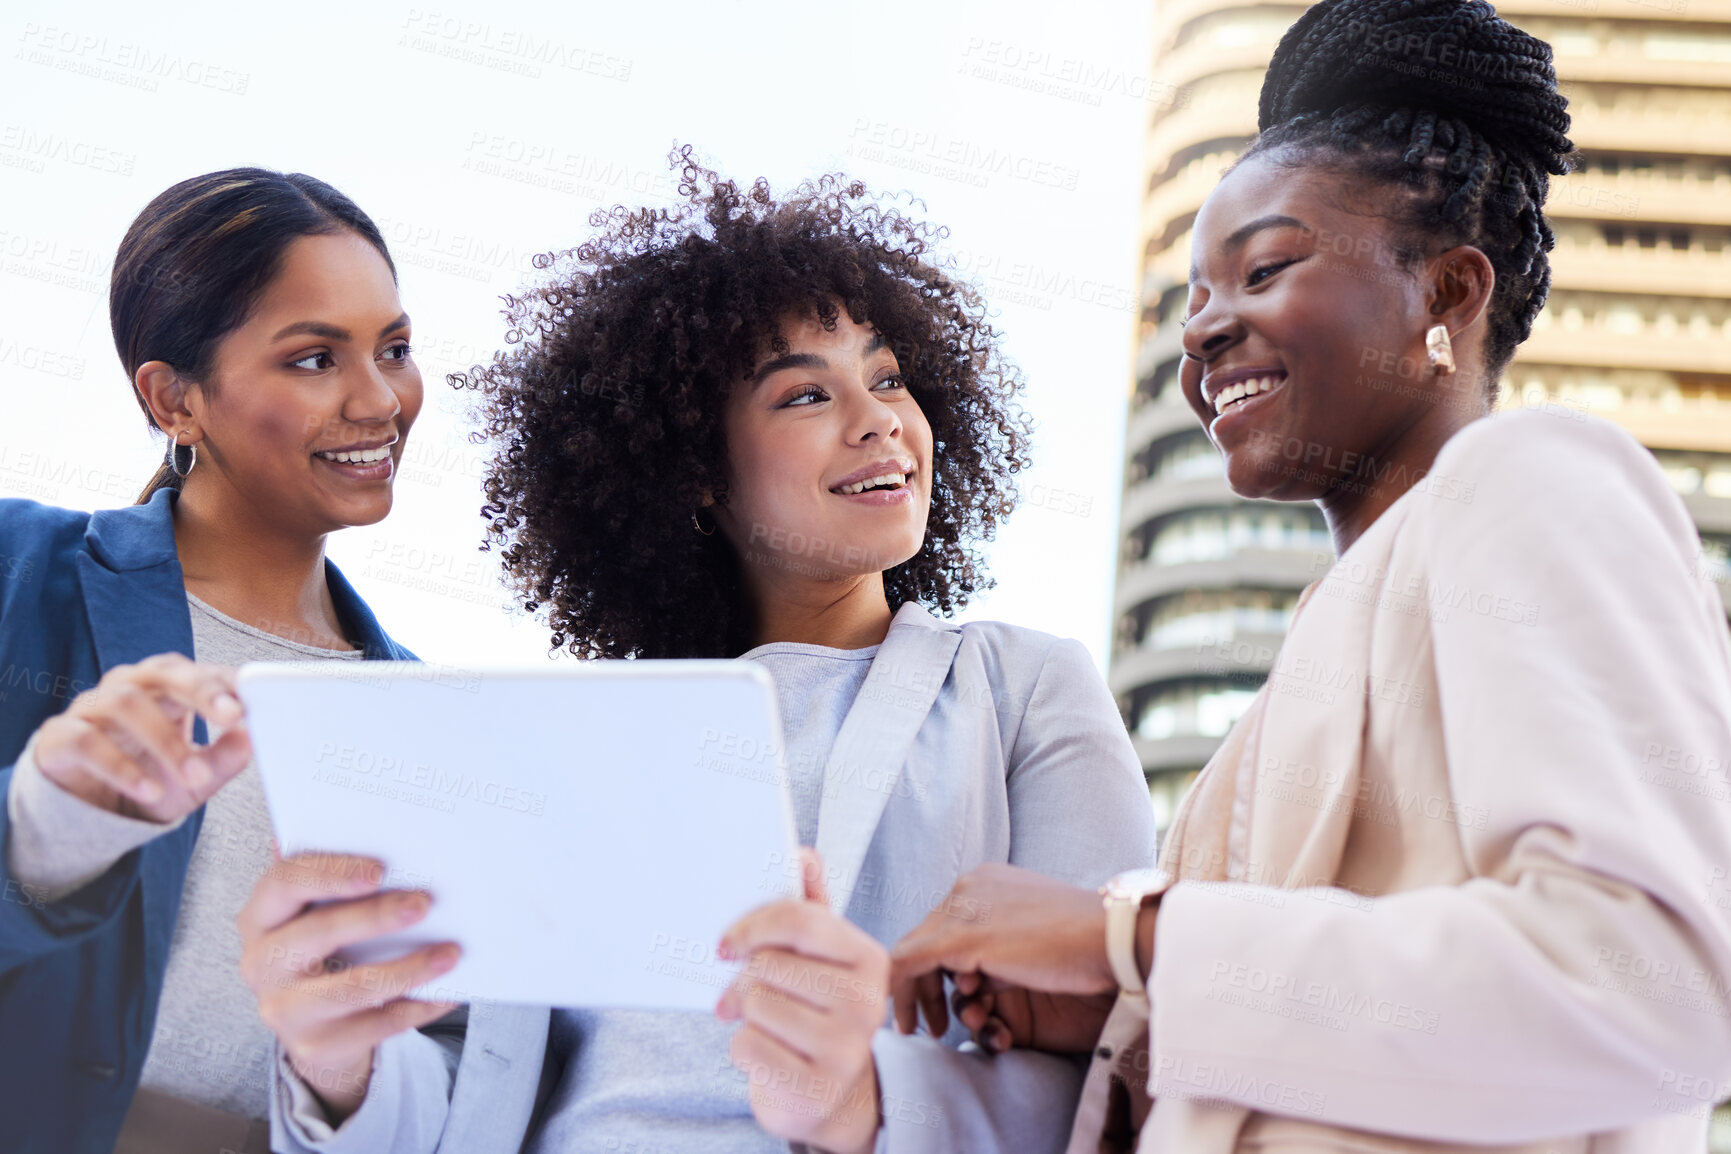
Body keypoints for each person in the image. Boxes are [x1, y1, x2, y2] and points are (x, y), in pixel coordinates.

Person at [887, 0, 1731, 1150]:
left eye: (1264, 268)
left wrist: (1131, 938)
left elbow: (1657, 987)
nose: (1201, 332)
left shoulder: (1535, 477)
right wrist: (1114, 1022)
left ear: (1445, 294)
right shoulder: (1286, 696)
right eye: (1191, 301)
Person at [250, 149, 1159, 1154]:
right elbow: (482, 1088)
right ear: (698, 477)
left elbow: (1114, 1062)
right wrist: (337, 1060)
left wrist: (866, 1102)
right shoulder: (574, 738)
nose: (879, 423)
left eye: (889, 377)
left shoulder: (1026, 689)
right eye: (805, 396)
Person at [0, 169, 447, 1154]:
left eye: (395, 348)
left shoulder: (424, 709)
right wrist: (42, 820)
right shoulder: (19, 571)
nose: (380, 399)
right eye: (314, 358)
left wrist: (345, 1070)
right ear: (174, 398)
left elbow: (448, 1047)